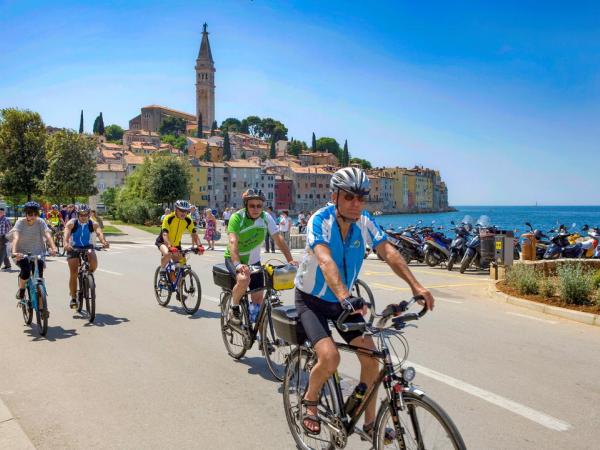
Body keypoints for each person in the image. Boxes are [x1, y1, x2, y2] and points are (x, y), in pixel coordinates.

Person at [294, 167, 434, 437]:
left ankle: (370, 424)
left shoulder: (364, 221)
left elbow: (387, 251)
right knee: (330, 357)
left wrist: (416, 285)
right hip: (312, 300)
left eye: (361, 198)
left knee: (372, 360)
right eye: (349, 197)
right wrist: (346, 296)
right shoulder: (319, 220)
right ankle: (310, 401)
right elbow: (325, 260)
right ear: (335, 196)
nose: (356, 204)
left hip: (343, 302)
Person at [225, 189, 297, 326]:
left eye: (259, 205)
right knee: (243, 279)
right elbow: (233, 242)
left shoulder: (266, 218)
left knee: (258, 296)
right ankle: (233, 308)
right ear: (246, 205)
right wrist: (238, 265)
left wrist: (290, 260)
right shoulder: (237, 218)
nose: (256, 209)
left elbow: (278, 239)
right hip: (235, 258)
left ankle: (253, 327)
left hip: (254, 261)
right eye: (252, 206)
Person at [11, 202, 57, 306]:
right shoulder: (20, 222)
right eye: (29, 213)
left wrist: (54, 248)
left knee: (39, 277)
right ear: (25, 214)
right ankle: (22, 289)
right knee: (26, 271)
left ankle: (42, 309)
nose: (32, 216)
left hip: (37, 253)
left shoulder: (40, 222)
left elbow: (48, 235)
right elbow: (16, 237)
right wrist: (14, 252)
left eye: (35, 214)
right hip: (21, 253)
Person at [64, 204, 109, 309]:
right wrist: (66, 244)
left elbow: (99, 233)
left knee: (93, 262)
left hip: (87, 246)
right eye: (81, 215)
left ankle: (88, 279)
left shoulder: (92, 223)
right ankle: (74, 297)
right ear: (77, 214)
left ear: (89, 214)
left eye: (85, 214)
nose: (83, 217)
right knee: (74, 273)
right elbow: (66, 234)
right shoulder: (72, 223)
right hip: (73, 247)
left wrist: (104, 242)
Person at [155, 200, 202, 277]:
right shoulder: (168, 218)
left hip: (176, 245)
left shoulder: (188, 219)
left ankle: (179, 286)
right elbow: (165, 234)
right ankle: (162, 271)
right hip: (163, 242)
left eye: (186, 211)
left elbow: (194, 233)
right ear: (176, 209)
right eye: (181, 210)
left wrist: (199, 246)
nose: (184, 213)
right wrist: (169, 246)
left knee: (181, 265)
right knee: (167, 253)